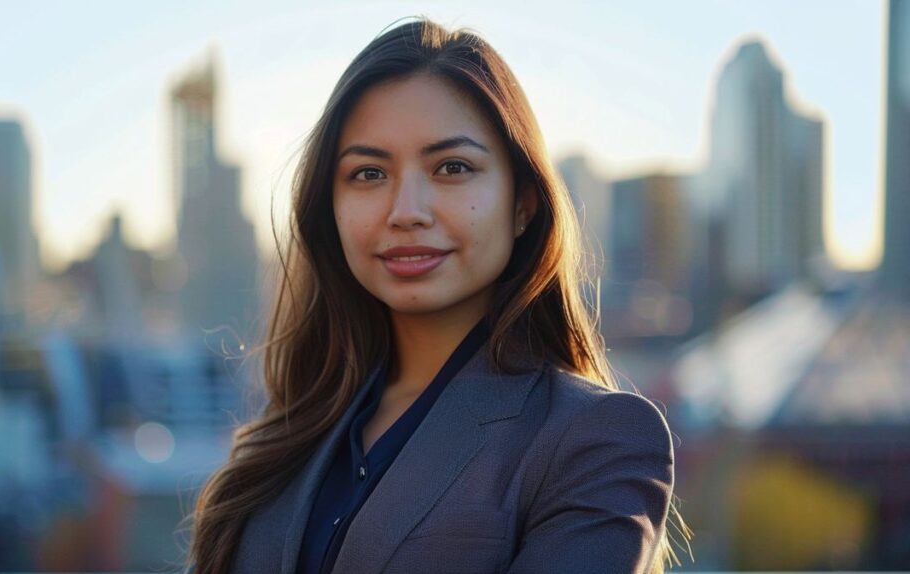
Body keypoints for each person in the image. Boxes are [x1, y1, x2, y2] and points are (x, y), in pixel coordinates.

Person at [185, 16, 691, 574]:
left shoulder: (595, 439)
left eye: (453, 167)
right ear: (329, 208)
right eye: (369, 173)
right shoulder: (287, 438)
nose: (406, 212)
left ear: (522, 203)